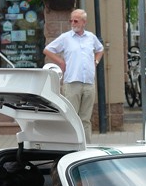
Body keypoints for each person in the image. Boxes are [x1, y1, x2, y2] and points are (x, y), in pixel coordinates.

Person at [43, 9, 104, 142]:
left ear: (84, 22)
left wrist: (96, 61)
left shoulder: (91, 37)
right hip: (72, 83)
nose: (72, 23)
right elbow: (47, 50)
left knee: (85, 119)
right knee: (71, 117)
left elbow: (100, 49)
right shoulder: (66, 38)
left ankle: (87, 146)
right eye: (71, 20)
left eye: (75, 20)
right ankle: (71, 144)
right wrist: (60, 62)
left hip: (88, 82)